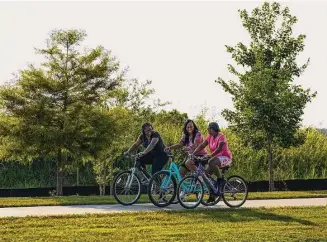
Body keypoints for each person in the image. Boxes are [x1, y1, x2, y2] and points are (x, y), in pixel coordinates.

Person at [191, 122, 232, 202]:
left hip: (226, 157)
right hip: (216, 158)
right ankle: (213, 194)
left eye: (208, 128)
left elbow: (220, 148)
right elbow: (202, 145)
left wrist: (210, 155)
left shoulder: (221, 136)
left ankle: (221, 180)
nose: (207, 130)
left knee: (211, 161)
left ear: (212, 129)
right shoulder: (209, 137)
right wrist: (193, 153)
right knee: (205, 175)